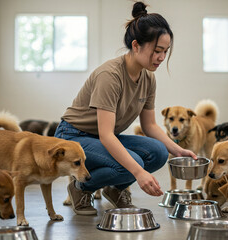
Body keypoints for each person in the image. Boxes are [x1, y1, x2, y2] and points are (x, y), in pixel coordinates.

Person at [54, 1, 196, 215]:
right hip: (74, 136)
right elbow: (106, 135)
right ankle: (80, 188)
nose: (161, 58)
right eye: (157, 51)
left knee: (158, 152)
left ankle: (115, 188)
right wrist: (138, 173)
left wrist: (176, 149)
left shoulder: (148, 78)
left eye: (165, 52)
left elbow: (150, 126)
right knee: (133, 163)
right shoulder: (109, 76)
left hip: (103, 138)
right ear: (136, 45)